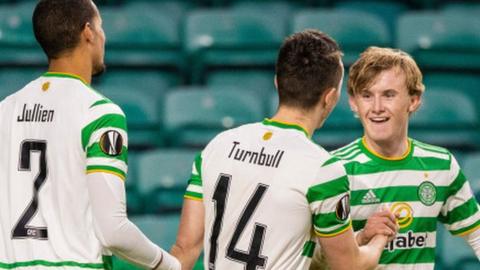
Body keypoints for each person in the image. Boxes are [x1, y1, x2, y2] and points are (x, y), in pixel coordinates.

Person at [170, 30, 395, 270]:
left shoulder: (217, 146)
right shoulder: (323, 169)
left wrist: (357, 239)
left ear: (278, 83)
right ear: (330, 97)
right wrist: (379, 239)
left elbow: (184, 250)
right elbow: (349, 266)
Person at [0, 1, 179, 269]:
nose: (103, 35)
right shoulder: (99, 113)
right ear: (88, 32)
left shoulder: (5, 109)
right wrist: (168, 264)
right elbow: (112, 231)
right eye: (101, 26)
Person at [316, 46, 480, 269]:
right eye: (366, 95)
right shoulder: (335, 169)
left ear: (413, 100)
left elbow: (476, 235)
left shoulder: (441, 165)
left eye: (388, 95)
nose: (377, 108)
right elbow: (313, 261)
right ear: (354, 102)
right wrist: (362, 237)